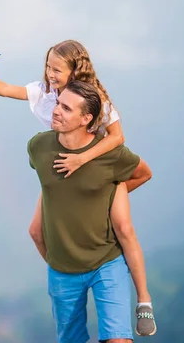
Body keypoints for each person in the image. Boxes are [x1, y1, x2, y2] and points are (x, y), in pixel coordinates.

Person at [0, 40, 156, 337]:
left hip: (96, 164)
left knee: (122, 226)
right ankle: (64, 274)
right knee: (35, 231)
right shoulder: (44, 97)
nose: (50, 73)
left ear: (75, 71)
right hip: (58, 172)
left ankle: (144, 300)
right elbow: (7, 89)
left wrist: (83, 160)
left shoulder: (97, 100)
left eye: (57, 69)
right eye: (48, 66)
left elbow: (117, 137)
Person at [27, 80, 152, 342]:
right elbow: (48, 186)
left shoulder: (112, 155)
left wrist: (111, 192)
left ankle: (145, 302)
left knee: (119, 339)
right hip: (62, 270)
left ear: (86, 118)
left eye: (67, 108)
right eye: (58, 104)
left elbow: (143, 173)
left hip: (106, 261)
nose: (56, 111)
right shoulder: (38, 147)